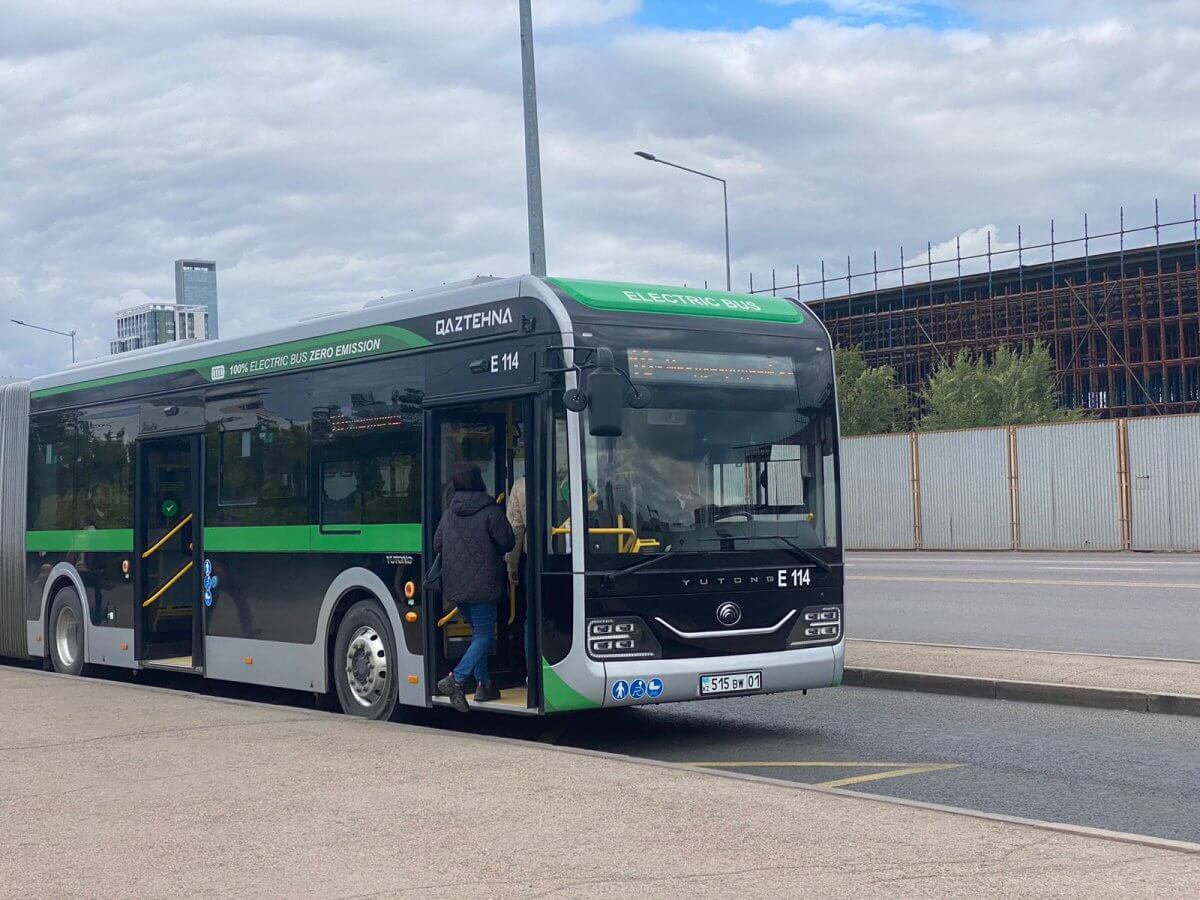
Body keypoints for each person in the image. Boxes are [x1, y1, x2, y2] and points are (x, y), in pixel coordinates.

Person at [434, 463, 515, 712]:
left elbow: (438, 544)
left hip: (455, 589)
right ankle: (456, 680)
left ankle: (484, 684)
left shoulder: (449, 513)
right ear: (479, 481)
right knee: (483, 636)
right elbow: (508, 542)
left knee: (477, 635)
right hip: (483, 587)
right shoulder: (491, 511)